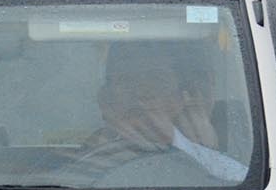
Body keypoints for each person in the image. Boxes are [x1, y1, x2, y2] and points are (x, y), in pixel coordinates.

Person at [87, 46, 247, 181]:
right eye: (126, 80)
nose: (141, 92)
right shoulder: (85, 160)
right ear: (105, 98)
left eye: (156, 80)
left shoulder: (227, 174)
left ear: (181, 98)